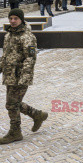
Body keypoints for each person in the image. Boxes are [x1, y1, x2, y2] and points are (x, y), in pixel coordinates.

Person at [0, 9, 48, 144]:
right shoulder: (8, 35)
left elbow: (30, 58)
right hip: (9, 75)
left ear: (21, 19)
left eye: (15, 18)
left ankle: (15, 132)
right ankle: (37, 115)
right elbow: (5, 57)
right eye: (11, 18)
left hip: (20, 76)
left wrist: (25, 77)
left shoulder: (28, 37)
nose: (13, 21)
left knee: (11, 104)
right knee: (13, 103)